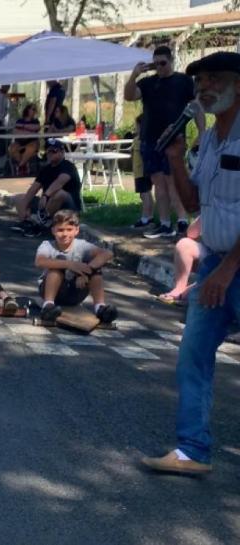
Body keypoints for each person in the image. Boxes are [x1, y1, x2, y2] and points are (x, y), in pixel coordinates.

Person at [142, 52, 240, 475]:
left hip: (229, 267)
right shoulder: (209, 139)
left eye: (215, 79)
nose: (205, 88)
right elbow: (197, 202)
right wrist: (178, 160)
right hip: (217, 262)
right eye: (200, 82)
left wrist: (226, 270)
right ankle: (191, 451)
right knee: (193, 356)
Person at [125, 45, 206, 239]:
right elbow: (129, 96)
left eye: (163, 63)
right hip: (149, 139)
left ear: (171, 61)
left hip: (173, 139)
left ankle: (182, 220)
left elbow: (197, 106)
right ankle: (164, 223)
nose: (160, 67)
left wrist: (202, 132)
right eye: (156, 64)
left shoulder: (183, 81)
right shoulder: (147, 83)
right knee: (158, 183)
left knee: (173, 182)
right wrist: (133, 75)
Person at [34, 210, 117, 323]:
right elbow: (39, 261)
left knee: (96, 269)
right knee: (58, 262)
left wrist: (86, 272)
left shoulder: (82, 245)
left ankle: (100, 308)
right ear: (53, 230)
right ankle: (48, 306)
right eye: (60, 230)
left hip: (76, 292)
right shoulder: (47, 245)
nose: (65, 234)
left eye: (69, 230)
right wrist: (71, 264)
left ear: (76, 230)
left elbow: (108, 253)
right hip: (52, 291)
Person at [13, 138, 82, 237]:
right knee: (19, 198)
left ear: (62, 152)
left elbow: (60, 182)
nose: (50, 153)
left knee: (59, 193)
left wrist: (45, 195)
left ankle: (38, 224)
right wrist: (24, 204)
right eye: (48, 151)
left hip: (67, 207)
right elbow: (34, 188)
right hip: (46, 205)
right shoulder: (46, 169)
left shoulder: (68, 166)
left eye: (54, 151)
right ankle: (27, 223)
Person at [158, 217, 203, 305]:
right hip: (212, 252)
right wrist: (204, 215)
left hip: (232, 259)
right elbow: (191, 233)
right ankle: (180, 288)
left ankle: (195, 287)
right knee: (184, 244)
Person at [130, 113, 156, 229]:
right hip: (141, 171)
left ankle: (145, 218)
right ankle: (150, 216)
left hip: (142, 171)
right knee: (147, 194)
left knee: (145, 194)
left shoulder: (141, 140)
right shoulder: (140, 139)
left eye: (137, 126)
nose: (136, 128)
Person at [7, 104, 41, 176]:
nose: (34, 111)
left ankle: (20, 166)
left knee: (31, 148)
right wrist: (29, 131)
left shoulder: (35, 121)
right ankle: (23, 165)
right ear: (27, 110)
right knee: (11, 148)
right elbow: (15, 132)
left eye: (35, 110)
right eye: (33, 109)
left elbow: (36, 128)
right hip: (19, 142)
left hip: (32, 142)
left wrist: (23, 127)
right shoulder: (20, 120)